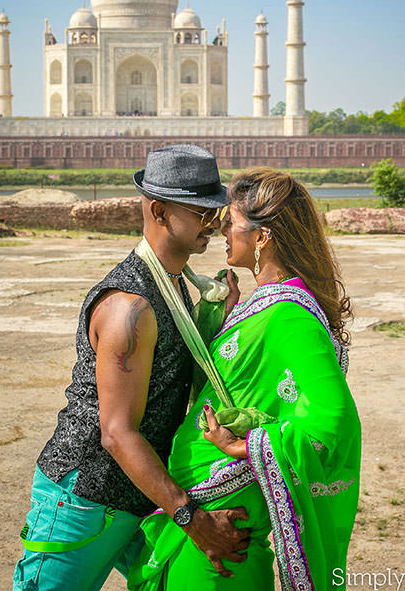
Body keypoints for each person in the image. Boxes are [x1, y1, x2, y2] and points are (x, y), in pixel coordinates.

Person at [13, 145, 251, 591]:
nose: (214, 224)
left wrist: (217, 318)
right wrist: (194, 520)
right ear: (159, 211)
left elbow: (169, 377)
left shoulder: (173, 285)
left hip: (140, 494)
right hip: (86, 497)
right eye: (201, 212)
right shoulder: (130, 306)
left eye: (216, 211)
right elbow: (117, 432)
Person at [127, 168, 360, 590]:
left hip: (225, 521)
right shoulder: (261, 306)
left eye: (230, 224)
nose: (220, 233)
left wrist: (247, 444)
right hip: (203, 508)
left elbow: (334, 420)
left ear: (262, 237)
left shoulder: (290, 315)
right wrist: (224, 314)